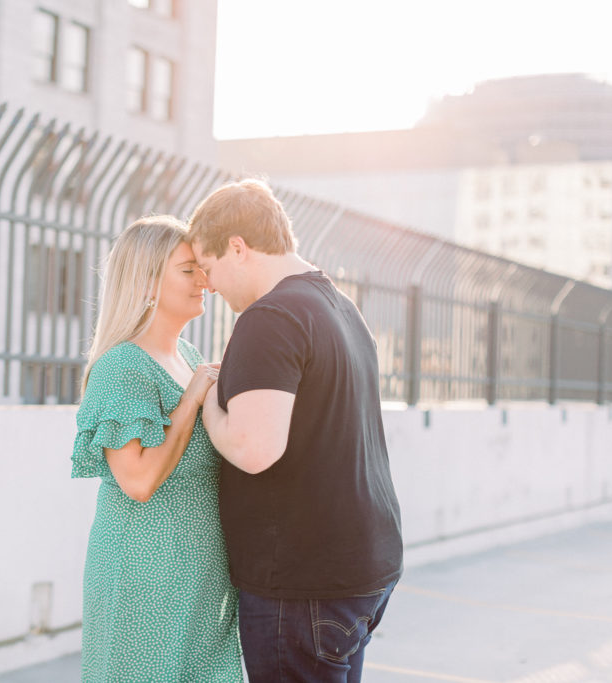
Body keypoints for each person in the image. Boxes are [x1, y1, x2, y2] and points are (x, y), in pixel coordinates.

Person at [188, 179, 403, 683]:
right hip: (360, 566)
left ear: (238, 248)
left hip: (304, 584)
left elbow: (252, 446)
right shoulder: (341, 308)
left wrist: (207, 409)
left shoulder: (271, 316)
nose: (209, 284)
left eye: (210, 266)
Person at [71, 216, 244, 682]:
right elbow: (139, 480)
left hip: (203, 576)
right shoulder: (122, 366)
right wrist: (191, 401)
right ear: (148, 281)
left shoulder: (188, 357)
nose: (203, 281)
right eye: (188, 270)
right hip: (146, 578)